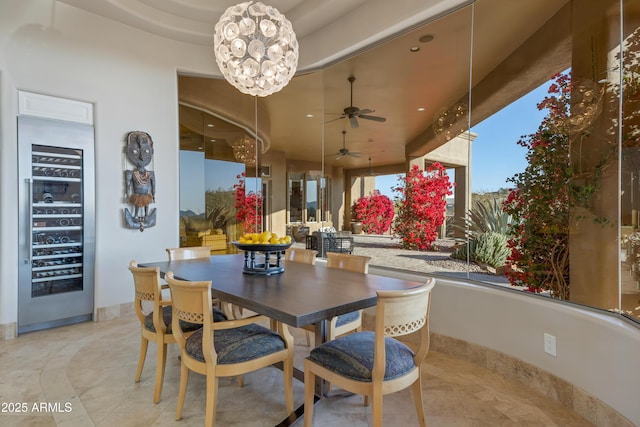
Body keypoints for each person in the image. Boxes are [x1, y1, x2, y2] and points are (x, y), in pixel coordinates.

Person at [124, 131, 156, 223]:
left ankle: (146, 215)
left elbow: (153, 185)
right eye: (135, 152)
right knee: (138, 204)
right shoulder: (131, 173)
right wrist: (127, 195)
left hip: (146, 194)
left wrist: (153, 195)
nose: (141, 157)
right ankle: (136, 216)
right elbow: (127, 185)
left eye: (146, 151)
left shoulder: (150, 173)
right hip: (138, 194)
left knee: (146, 204)